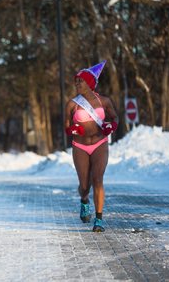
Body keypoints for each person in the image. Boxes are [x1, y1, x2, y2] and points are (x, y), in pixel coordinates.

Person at [64, 61, 118, 232]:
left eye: (81, 81)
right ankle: (84, 200)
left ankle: (99, 219)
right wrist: (72, 128)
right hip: (80, 146)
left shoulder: (104, 101)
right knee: (84, 185)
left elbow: (115, 118)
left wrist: (111, 126)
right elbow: (66, 126)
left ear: (90, 83)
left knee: (98, 180)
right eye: (76, 81)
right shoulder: (72, 104)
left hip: (100, 143)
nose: (77, 84)